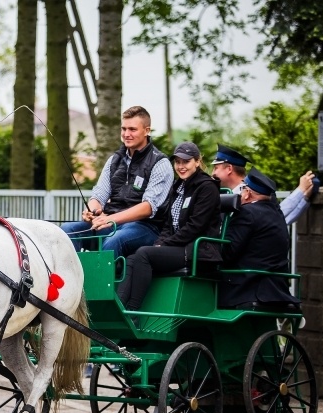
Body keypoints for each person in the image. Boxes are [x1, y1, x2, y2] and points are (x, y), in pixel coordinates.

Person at [117, 142, 222, 317]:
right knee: (132, 258)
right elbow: (168, 224)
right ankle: (119, 310)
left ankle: (133, 312)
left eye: (186, 162)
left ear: (197, 162)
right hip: (178, 246)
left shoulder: (207, 187)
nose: (181, 167)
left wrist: (164, 244)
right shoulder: (178, 187)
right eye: (178, 162)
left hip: (198, 249)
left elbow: (195, 227)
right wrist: (160, 243)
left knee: (143, 254)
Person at [61, 106, 174, 259]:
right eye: (124, 129)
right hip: (111, 222)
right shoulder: (114, 160)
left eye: (132, 129)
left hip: (145, 227)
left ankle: (105, 282)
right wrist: (92, 211)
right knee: (68, 230)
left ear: (147, 130)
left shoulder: (160, 163)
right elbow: (99, 193)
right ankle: (74, 280)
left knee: (115, 240)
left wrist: (110, 219)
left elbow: (148, 207)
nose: (126, 134)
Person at [218, 168, 300, 309]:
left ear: (248, 193)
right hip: (276, 290)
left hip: (247, 289)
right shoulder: (277, 214)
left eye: (243, 189)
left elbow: (227, 252)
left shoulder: (247, 213)